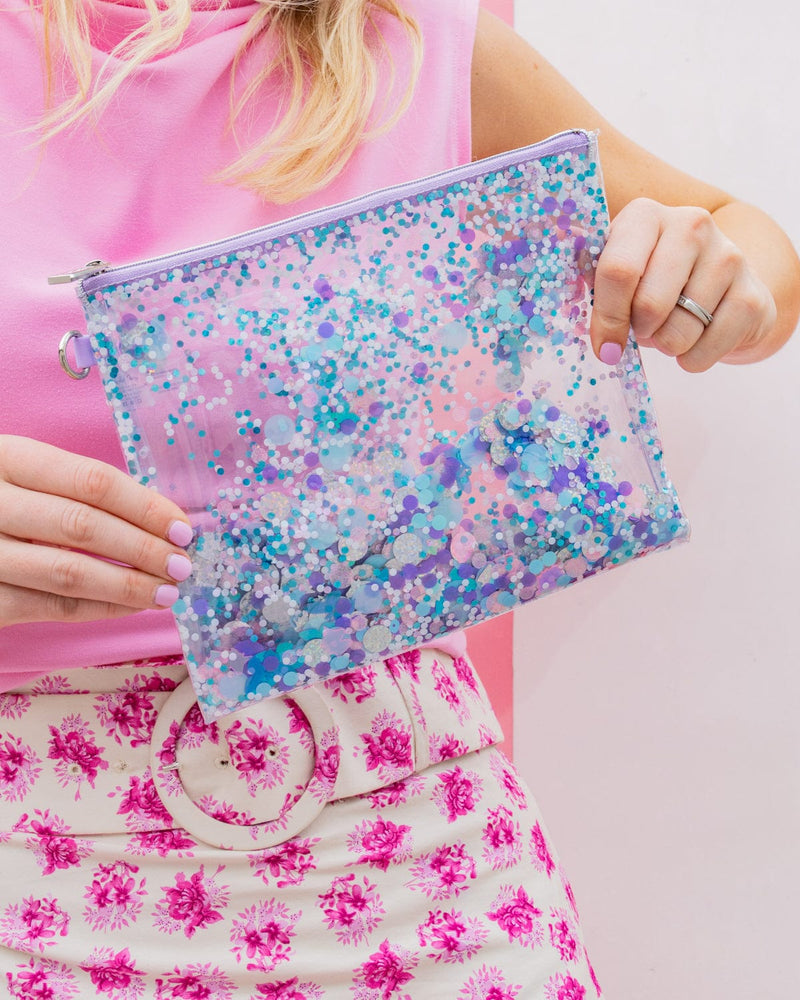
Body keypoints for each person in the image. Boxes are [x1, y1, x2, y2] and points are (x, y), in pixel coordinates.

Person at [0, 1, 797, 998]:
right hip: (33, 877)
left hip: (428, 866)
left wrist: (713, 279)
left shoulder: (416, 40)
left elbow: (741, 236)